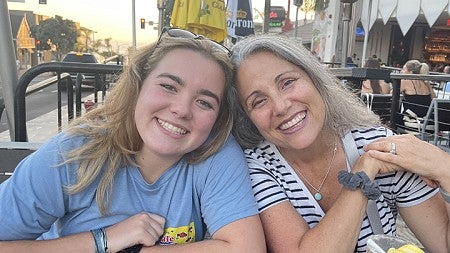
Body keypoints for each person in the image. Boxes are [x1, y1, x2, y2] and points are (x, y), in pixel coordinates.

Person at [0, 28, 265, 252]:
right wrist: (103, 240)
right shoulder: (73, 152)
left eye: (204, 102)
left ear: (218, 118)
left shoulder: (215, 152)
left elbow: (245, 247)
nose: (182, 110)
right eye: (169, 86)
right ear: (138, 87)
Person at [230, 34, 448, 253]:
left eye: (287, 82)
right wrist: (363, 172)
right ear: (247, 118)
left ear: (315, 78)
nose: (280, 106)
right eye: (258, 101)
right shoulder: (255, 167)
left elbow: (443, 244)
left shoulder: (379, 145)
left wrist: (444, 169)